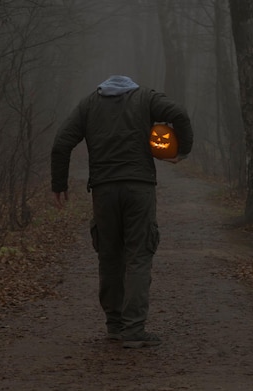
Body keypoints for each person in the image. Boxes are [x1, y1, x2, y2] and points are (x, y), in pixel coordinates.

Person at [50, 75, 193, 348]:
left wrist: (59, 184)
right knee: (138, 255)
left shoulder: (89, 104)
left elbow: (61, 143)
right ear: (131, 87)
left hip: (103, 190)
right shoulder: (146, 98)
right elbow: (179, 114)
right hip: (139, 189)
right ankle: (134, 329)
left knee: (109, 255)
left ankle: (114, 325)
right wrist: (182, 152)